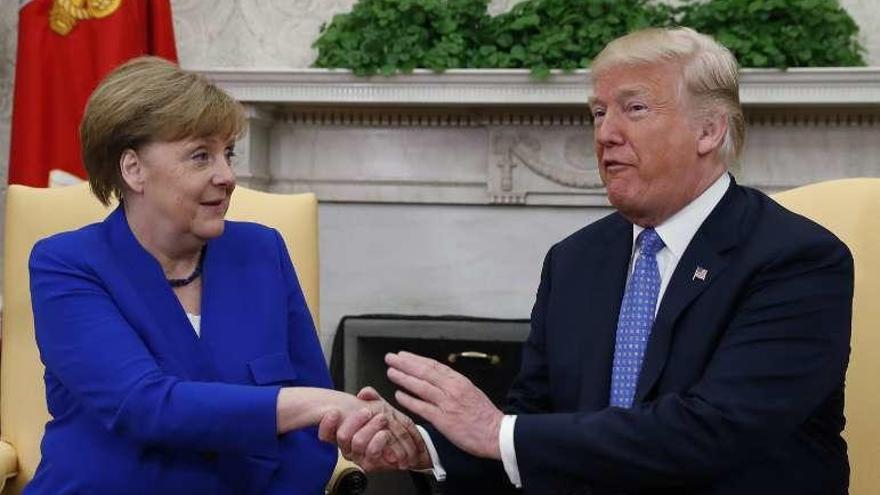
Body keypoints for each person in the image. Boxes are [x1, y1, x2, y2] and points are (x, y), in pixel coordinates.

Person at [324, 27, 854, 494]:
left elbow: (712, 432)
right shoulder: (576, 260)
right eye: (599, 112)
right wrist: (431, 448)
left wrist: (498, 433)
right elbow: (533, 428)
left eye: (634, 108)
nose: (605, 134)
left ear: (709, 130)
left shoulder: (797, 260)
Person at [26, 56, 423, 495]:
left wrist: (332, 416)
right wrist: (320, 404)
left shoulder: (261, 251)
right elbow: (143, 406)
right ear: (133, 169)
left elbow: (313, 439)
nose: (228, 176)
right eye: (201, 156)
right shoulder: (67, 264)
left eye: (227, 153)